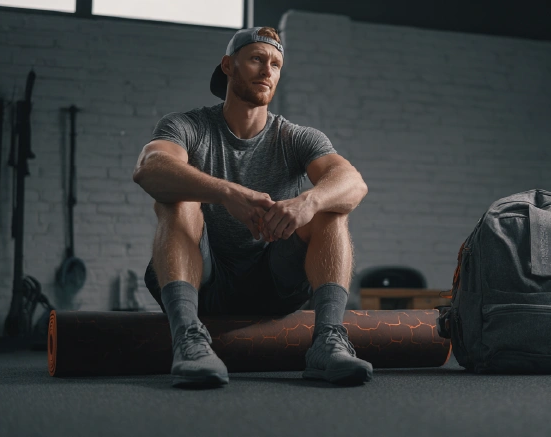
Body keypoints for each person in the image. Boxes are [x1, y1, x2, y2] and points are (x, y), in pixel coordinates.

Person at [132, 27, 372, 387]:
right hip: (206, 283)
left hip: (274, 286)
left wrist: (307, 202)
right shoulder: (187, 126)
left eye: (275, 64)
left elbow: (353, 183)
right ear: (228, 65)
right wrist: (226, 193)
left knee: (330, 207)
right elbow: (149, 168)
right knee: (177, 200)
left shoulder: (296, 137)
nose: (267, 70)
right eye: (257, 59)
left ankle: (328, 342)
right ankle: (187, 339)